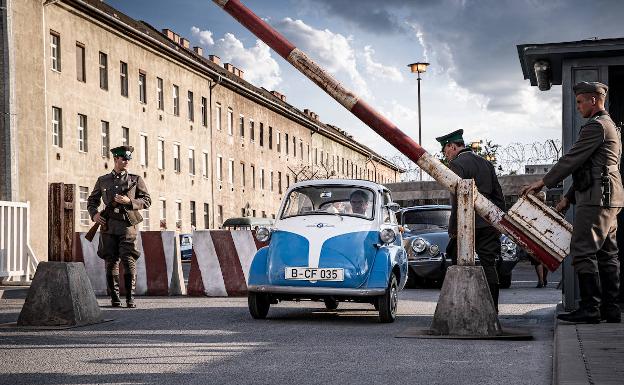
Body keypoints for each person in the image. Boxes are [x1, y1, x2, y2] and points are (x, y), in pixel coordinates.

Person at [522, 81, 623, 324]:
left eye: (580, 102)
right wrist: (568, 198)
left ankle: (590, 308)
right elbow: (588, 167)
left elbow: (572, 161)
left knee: (581, 250)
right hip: (608, 197)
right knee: (607, 253)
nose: (578, 107)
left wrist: (543, 182)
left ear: (594, 101)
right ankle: (610, 309)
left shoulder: (596, 127)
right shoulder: (609, 127)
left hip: (597, 198)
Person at [436, 129, 506, 311]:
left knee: (458, 260)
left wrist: (453, 228)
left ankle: (463, 307)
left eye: (446, 150)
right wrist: (499, 223)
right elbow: (499, 197)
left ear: (452, 146)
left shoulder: (457, 164)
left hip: (467, 225)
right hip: (489, 223)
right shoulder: (486, 163)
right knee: (489, 265)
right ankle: (492, 309)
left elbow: (457, 200)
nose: (446, 155)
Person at [87, 145, 151, 308]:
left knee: (129, 260)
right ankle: (115, 299)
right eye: (123, 158)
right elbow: (92, 201)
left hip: (127, 226)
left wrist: (130, 201)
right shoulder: (103, 180)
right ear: (115, 159)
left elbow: (147, 200)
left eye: (128, 158)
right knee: (110, 261)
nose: (126, 161)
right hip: (108, 226)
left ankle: (130, 299)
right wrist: (94, 214)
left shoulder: (135, 180)